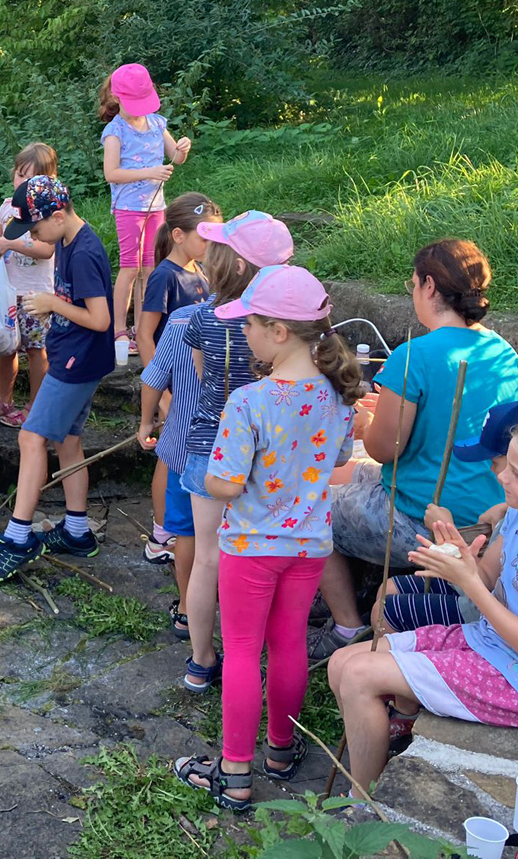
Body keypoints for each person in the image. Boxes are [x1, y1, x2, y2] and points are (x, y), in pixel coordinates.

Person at [329, 415, 518, 800]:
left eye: (517, 474)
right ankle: (374, 760)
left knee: (359, 676)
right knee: (341, 666)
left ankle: (363, 799)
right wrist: (461, 558)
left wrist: (467, 581)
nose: (503, 477)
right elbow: (487, 578)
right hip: (487, 644)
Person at [172, 265, 364, 812]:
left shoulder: (249, 401)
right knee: (288, 646)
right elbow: (341, 459)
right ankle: (280, 750)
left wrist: (210, 475)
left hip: (250, 548)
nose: (243, 333)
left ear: (279, 332)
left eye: (250, 324)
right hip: (308, 545)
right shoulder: (340, 395)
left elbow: (226, 484)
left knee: (239, 653)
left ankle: (234, 772)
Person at [309, 239, 518, 661]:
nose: (413, 293)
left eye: (412, 284)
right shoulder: (505, 354)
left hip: (425, 517)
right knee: (347, 476)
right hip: (488, 506)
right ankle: (345, 587)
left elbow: (383, 450)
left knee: (313, 507)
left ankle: (345, 622)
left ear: (429, 287)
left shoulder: (415, 355)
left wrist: (367, 421)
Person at [0, 176, 115, 583]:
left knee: (30, 437)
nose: (33, 238)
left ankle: (18, 538)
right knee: (67, 441)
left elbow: (102, 320)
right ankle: (77, 532)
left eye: (35, 230)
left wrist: (54, 303)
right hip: (74, 352)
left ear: (58, 216)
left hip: (78, 361)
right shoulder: (68, 240)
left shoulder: (85, 251)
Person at [178, 211, 295, 693]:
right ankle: (255, 656)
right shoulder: (286, 323)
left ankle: (201, 660)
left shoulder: (202, 317)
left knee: (208, 558)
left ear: (236, 266)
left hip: (209, 446)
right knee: (260, 558)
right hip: (265, 453)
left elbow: (205, 375)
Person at [376, 399, 518, 635]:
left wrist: (448, 530)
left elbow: (484, 582)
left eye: (496, 462)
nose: (495, 473)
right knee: (387, 590)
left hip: (483, 610)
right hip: (479, 589)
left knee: (387, 611)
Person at [137, 192, 222, 564]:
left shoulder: (199, 272)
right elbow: (144, 333)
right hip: (174, 386)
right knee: (168, 460)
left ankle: (172, 530)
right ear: (178, 234)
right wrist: (163, 394)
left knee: (177, 462)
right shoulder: (164, 276)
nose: (212, 245)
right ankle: (161, 534)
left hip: (194, 387)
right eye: (206, 237)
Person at [99, 63, 191, 353]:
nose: (139, 109)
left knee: (150, 270)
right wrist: (150, 172)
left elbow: (175, 158)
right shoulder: (115, 131)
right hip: (129, 208)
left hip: (156, 206)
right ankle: (118, 331)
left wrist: (183, 149)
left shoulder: (157, 123)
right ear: (118, 98)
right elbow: (111, 173)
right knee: (130, 268)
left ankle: (142, 328)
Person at [0, 142, 58, 428]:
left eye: (31, 178)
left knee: (37, 349)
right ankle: (4, 401)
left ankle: (36, 405)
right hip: (9, 291)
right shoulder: (6, 209)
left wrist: (11, 243)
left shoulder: (48, 214)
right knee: (5, 346)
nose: (22, 183)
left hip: (37, 295)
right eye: (20, 176)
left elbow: (46, 249)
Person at [138, 299, 205, 638]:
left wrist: (145, 423)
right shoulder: (267, 321)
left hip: (185, 448)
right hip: (242, 456)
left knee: (187, 533)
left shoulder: (181, 320)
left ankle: (186, 609)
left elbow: (153, 378)